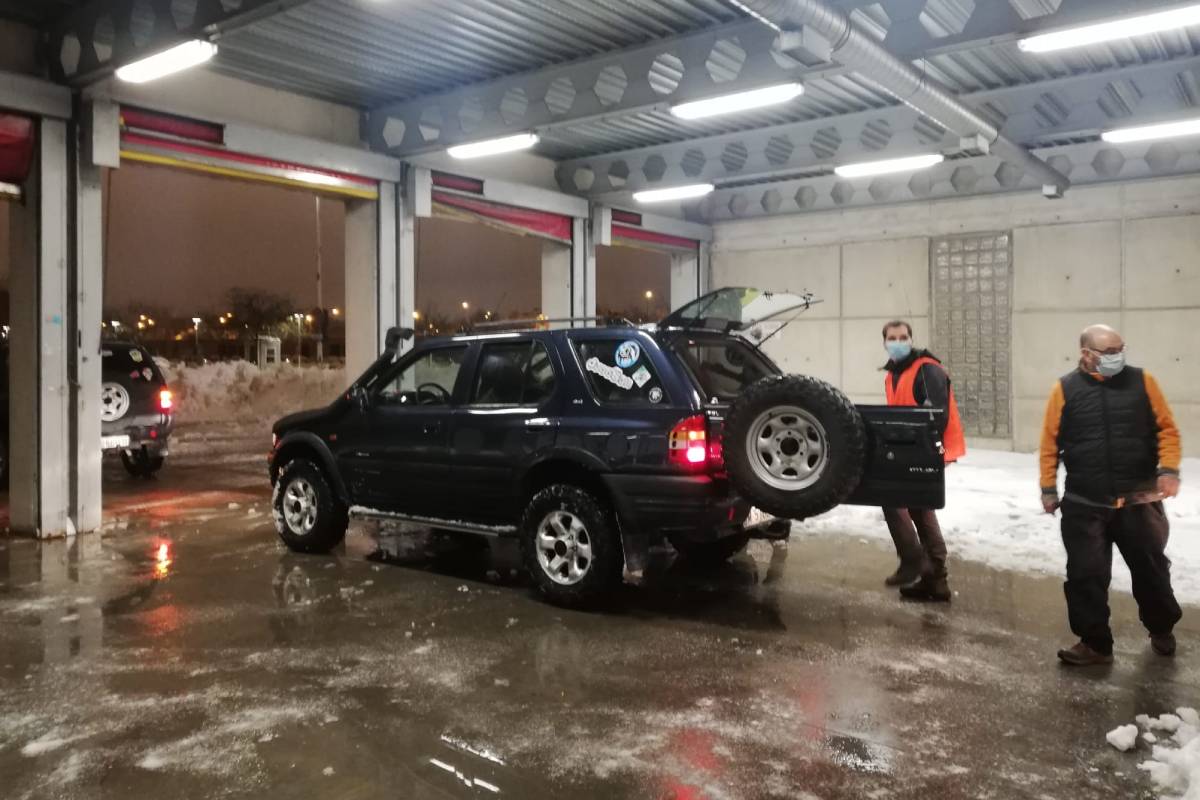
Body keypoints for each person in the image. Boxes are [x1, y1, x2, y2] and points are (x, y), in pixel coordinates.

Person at [1041, 324, 1182, 666]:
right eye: (1108, 352)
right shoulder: (1065, 389)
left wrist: (1169, 470)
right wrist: (1048, 488)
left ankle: (1161, 627)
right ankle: (1095, 644)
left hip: (1139, 500)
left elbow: (1167, 428)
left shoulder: (1143, 381)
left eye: (1120, 349)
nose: (1117, 356)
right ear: (1086, 354)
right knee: (1085, 576)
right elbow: (1049, 444)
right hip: (1085, 503)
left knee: (1151, 570)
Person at [880, 320, 966, 601]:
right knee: (919, 507)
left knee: (898, 500)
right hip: (910, 447)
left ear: (911, 339)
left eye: (903, 337)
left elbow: (935, 413)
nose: (898, 341)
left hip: (928, 447)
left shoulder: (927, 368)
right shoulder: (893, 374)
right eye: (892, 338)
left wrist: (924, 447)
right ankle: (935, 581)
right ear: (885, 342)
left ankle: (914, 560)